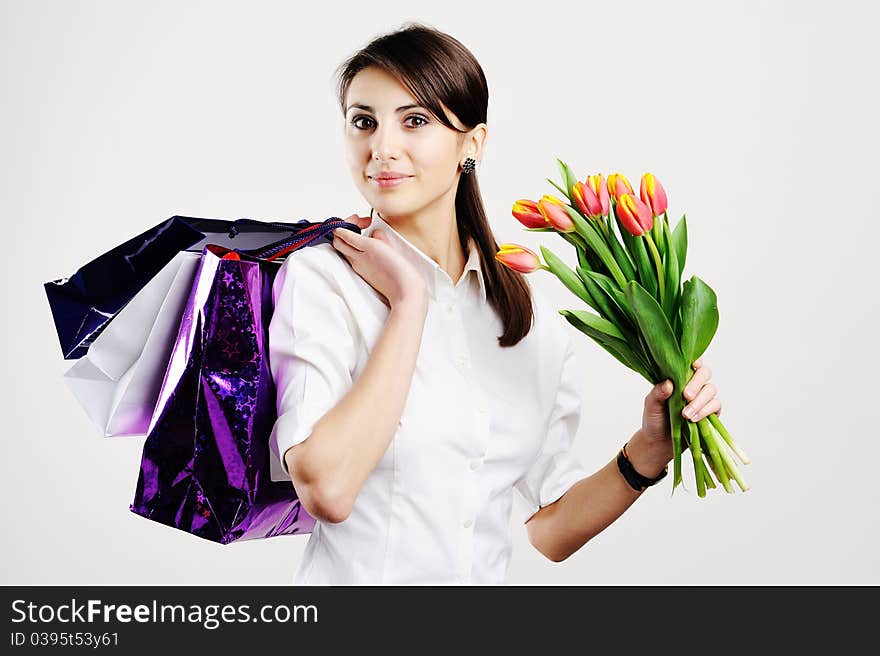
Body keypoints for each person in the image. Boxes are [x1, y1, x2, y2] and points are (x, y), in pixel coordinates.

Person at [266, 23, 723, 585]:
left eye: (415, 120)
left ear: (472, 143)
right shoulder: (321, 281)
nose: (381, 148)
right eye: (364, 121)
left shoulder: (526, 313)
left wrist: (651, 449)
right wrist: (409, 304)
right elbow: (327, 489)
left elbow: (549, 530)